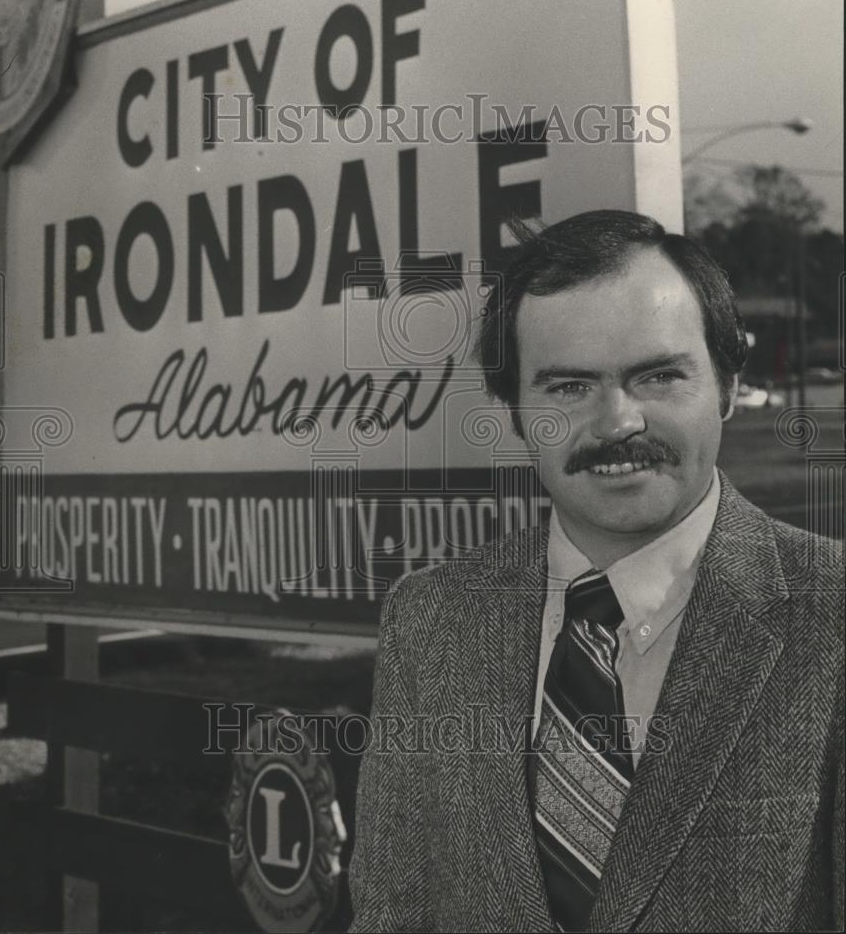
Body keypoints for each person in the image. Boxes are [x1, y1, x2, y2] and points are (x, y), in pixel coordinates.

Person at [348, 210, 844, 932]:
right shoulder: (432, 617)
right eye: (568, 387)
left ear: (727, 389)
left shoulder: (828, 614)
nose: (617, 423)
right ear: (513, 410)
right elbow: (393, 913)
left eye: (658, 376)